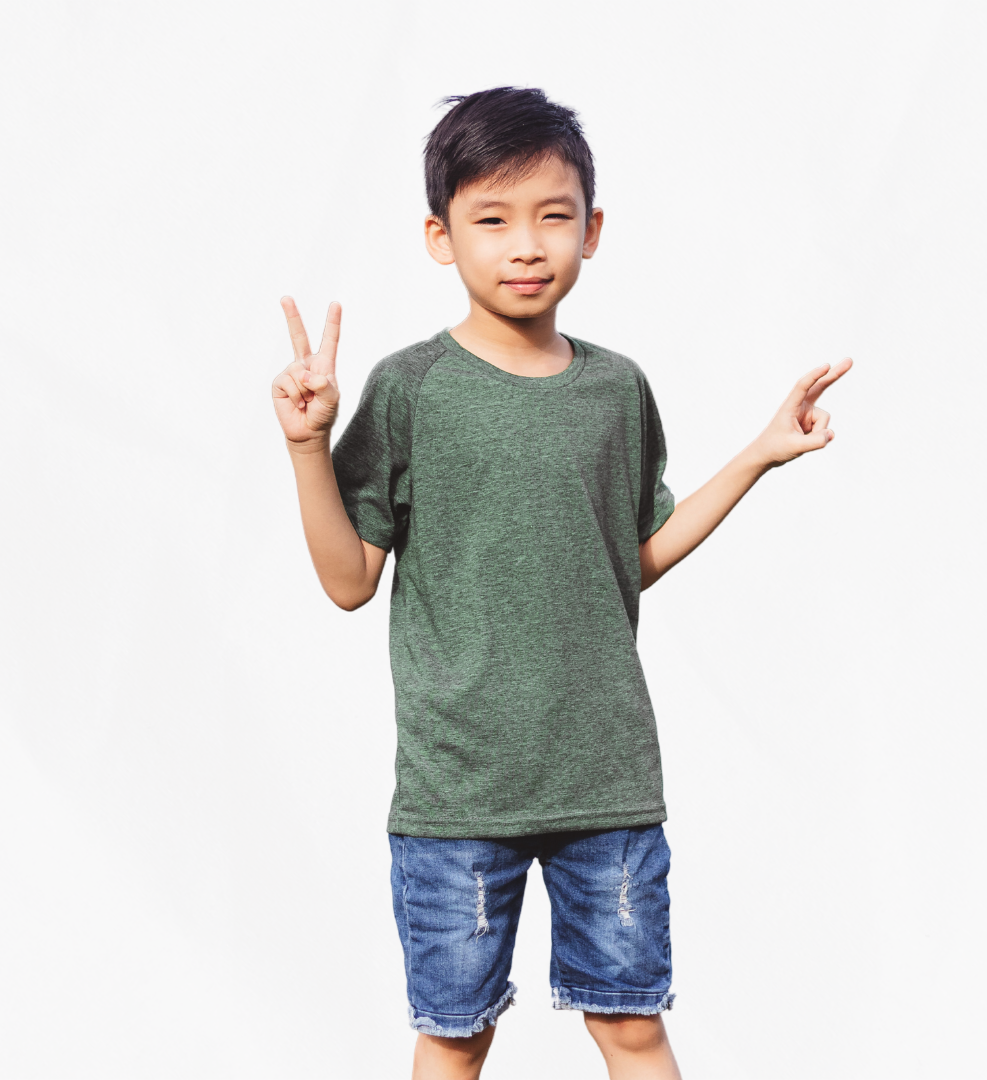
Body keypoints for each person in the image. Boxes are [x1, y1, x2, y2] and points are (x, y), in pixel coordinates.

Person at [271, 86, 851, 1080]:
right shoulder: (411, 388)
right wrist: (306, 446)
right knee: (455, 1033)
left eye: (552, 216)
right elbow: (348, 581)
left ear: (593, 229)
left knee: (631, 1025)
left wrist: (758, 452)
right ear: (440, 236)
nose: (527, 245)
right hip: (459, 791)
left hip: (605, 778)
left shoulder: (617, 388)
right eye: (492, 219)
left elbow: (635, 557)